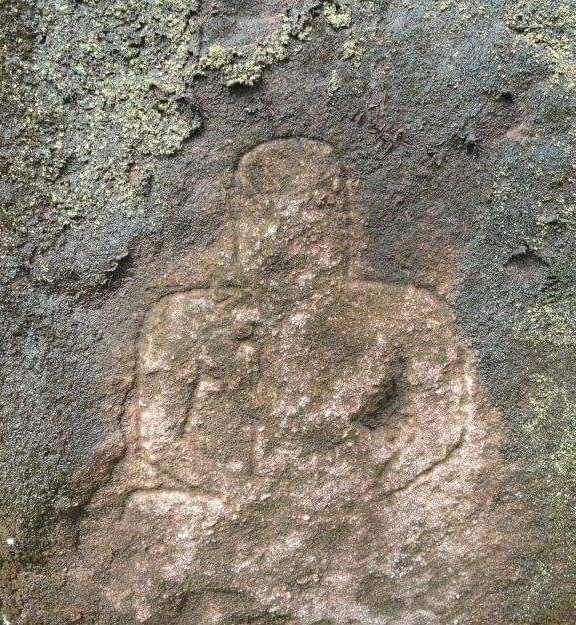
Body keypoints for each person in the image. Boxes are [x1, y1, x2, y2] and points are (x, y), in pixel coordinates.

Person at [68, 138, 517, 624]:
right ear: (242, 215)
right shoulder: (186, 319)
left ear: (341, 213)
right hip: (234, 504)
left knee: (439, 527)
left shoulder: (407, 316)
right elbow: (159, 439)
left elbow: (438, 428)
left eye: (316, 211)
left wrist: (360, 473)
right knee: (151, 525)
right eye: (265, 212)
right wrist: (244, 485)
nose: (291, 233)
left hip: (357, 501)